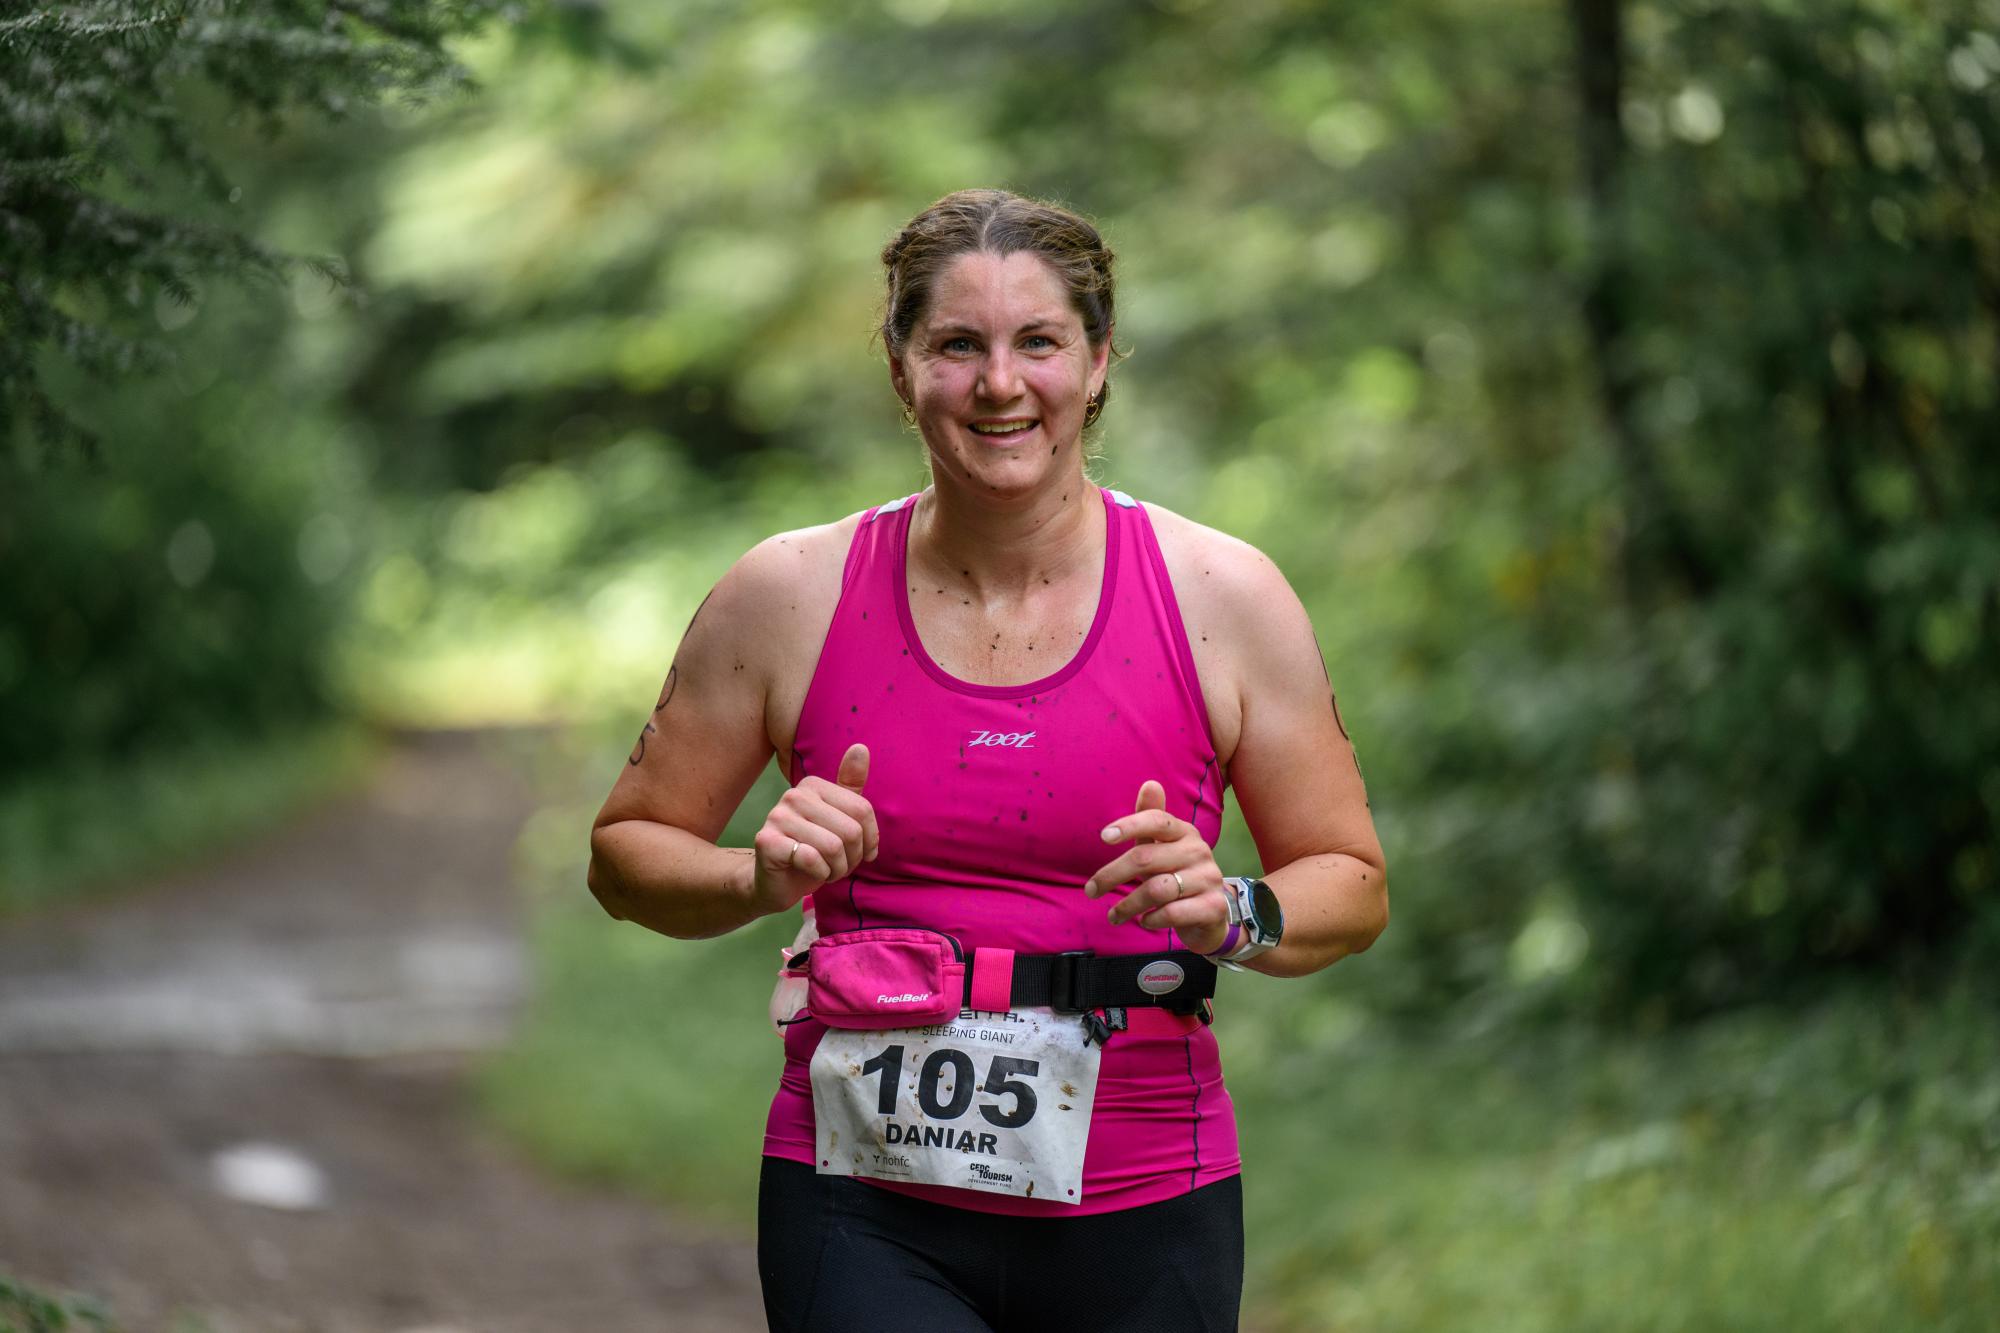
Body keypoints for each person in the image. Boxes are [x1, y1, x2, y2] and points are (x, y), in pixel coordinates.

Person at [586, 189, 1387, 1331]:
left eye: (1038, 343)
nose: (999, 384)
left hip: (1148, 1193)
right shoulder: (787, 594)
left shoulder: (1224, 597)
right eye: (957, 345)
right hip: (860, 1198)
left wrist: (1232, 909)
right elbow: (625, 853)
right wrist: (753, 877)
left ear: (1097, 362)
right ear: (901, 368)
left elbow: (1351, 881)